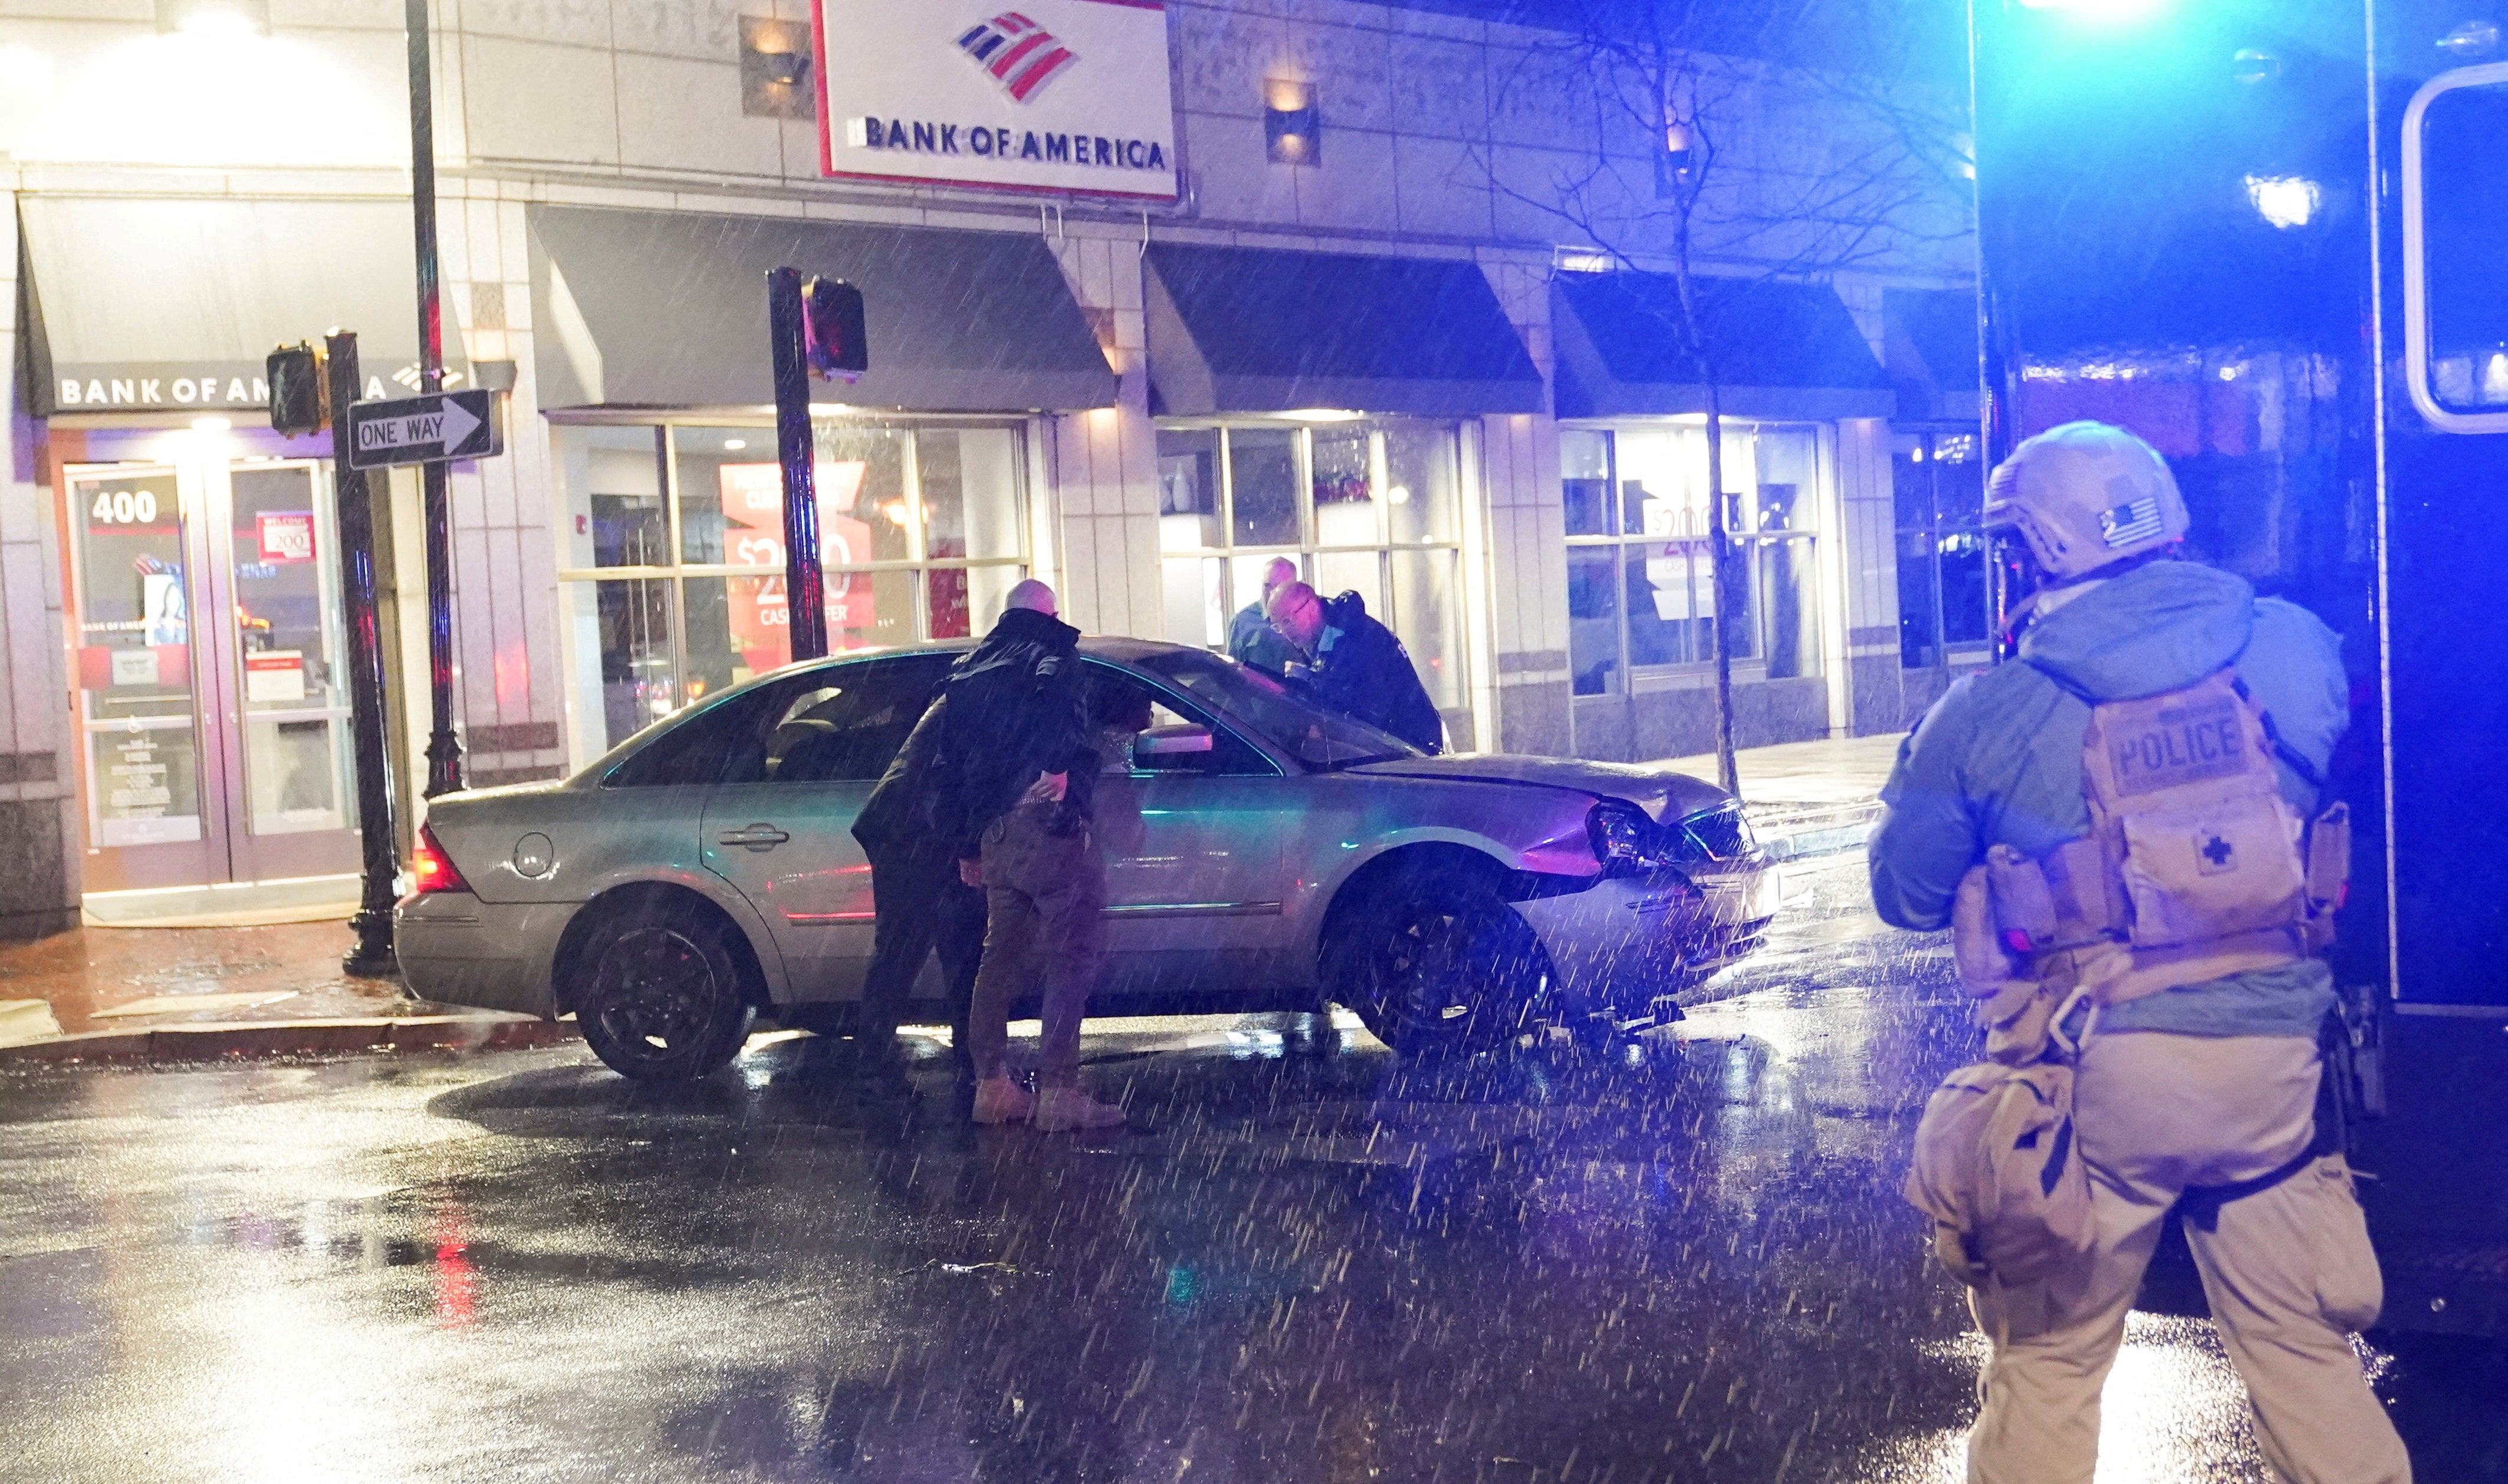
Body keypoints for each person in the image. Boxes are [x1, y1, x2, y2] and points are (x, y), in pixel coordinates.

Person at [1869, 422, 2407, 1484]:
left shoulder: (1992, 707)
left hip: (2094, 1082)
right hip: (2273, 1078)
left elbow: (1905, 890)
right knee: (2303, 1353)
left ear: (2036, 554)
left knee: (2051, 1365)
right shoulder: (2289, 643)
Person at [938, 578, 1127, 1132]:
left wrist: (967, 842)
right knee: (1071, 954)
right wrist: (1060, 768)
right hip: (1043, 822)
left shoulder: (968, 669)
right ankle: (1060, 1091)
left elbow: (952, 765)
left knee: (998, 957)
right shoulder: (1051, 654)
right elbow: (1061, 723)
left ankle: (991, 1086)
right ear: (1049, 613)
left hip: (993, 830)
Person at [847, 686, 985, 1095]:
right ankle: (877, 1064)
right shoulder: (987, 699)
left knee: (921, 947)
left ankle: (878, 1061)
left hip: (906, 825)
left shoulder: (972, 689)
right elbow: (947, 782)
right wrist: (966, 848)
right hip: (914, 830)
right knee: (931, 946)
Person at [1261, 581, 1444, 754]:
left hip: (1410, 743)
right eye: (1277, 627)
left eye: (1287, 621)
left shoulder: (1351, 636)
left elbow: (1362, 704)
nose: (1285, 633)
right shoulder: (1324, 638)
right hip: (1399, 741)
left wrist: (1307, 679)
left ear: (1310, 606)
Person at [1227, 556, 1301, 673]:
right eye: (1267, 586)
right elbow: (1231, 672)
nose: (1272, 592)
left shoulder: (1305, 615)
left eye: (1279, 586)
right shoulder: (1242, 621)